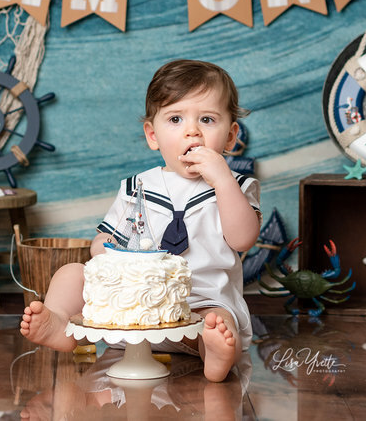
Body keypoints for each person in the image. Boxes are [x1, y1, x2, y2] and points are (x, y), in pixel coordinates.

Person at [20, 59, 261, 382]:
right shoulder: (138, 187)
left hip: (200, 306)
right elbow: (102, 241)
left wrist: (222, 181)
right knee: (71, 273)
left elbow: (243, 238)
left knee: (218, 322)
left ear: (231, 137)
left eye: (207, 119)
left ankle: (215, 354)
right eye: (175, 119)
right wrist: (109, 254)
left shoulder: (236, 186)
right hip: (134, 312)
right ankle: (61, 323)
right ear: (153, 135)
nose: (192, 131)